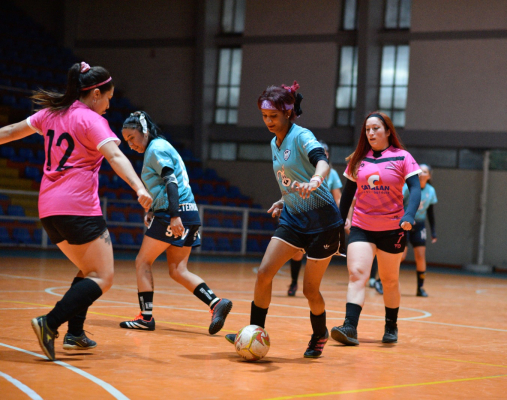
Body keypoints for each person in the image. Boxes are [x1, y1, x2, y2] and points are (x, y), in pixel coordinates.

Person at [0, 62, 153, 361]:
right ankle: (50, 323)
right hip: (78, 208)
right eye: (107, 98)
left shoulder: (51, 114)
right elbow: (115, 156)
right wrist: (139, 187)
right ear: (95, 94)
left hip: (48, 209)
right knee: (104, 276)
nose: (108, 106)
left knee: (88, 269)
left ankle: (75, 334)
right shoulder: (90, 120)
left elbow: (8, 131)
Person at [225, 81, 344, 358]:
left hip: (323, 223)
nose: (268, 121)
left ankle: (319, 334)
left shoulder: (302, 136)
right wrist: (283, 199)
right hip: (292, 217)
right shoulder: (273, 142)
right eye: (265, 117)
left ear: (288, 113)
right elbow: (288, 179)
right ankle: (255, 330)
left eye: (273, 116)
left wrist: (316, 179)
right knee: (265, 273)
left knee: (309, 290)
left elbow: (321, 161)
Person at [119, 111, 232, 333]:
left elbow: (171, 181)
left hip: (174, 214)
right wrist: (153, 209)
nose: (130, 144)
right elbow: (167, 183)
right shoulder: (162, 146)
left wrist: (173, 215)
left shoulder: (155, 149)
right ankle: (216, 303)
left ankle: (145, 317)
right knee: (178, 269)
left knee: (142, 262)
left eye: (132, 137)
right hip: (190, 212)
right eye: (126, 141)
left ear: (144, 131)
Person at [331, 111, 421, 346]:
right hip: (362, 226)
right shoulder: (358, 159)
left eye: (376, 129)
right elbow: (347, 195)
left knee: (390, 280)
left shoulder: (402, 157)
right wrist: (339, 224)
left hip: (393, 228)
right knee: (357, 275)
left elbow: (415, 189)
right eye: (367, 129)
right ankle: (350, 327)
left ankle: (391, 325)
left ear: (388, 131)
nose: (370, 133)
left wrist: (409, 214)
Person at [287, 140, 342, 297]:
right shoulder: (303, 170)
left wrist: (342, 217)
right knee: (297, 253)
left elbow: (338, 197)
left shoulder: (332, 174)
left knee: (317, 255)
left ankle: (312, 287)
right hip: (303, 216)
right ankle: (293, 282)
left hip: (323, 219)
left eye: (325, 152)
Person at [401, 164, 438, 297]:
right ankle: (380, 281)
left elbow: (431, 213)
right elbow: (398, 204)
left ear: (429, 176)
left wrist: (433, 232)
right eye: (420, 171)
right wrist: (406, 217)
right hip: (405, 224)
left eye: (425, 171)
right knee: (401, 256)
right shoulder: (408, 187)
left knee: (420, 256)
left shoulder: (431, 191)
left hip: (419, 226)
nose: (422, 173)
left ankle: (420, 288)